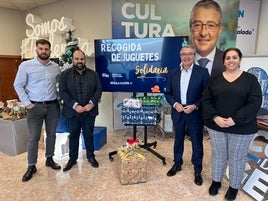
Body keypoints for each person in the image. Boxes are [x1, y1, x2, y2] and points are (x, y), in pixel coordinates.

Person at [202, 48, 262, 200]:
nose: (231, 60)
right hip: (217, 126)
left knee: (236, 157)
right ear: (224, 61)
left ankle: (234, 187)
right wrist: (215, 117)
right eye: (228, 58)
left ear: (240, 60)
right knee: (218, 154)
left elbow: (255, 102)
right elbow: (207, 100)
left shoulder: (250, 80)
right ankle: (216, 181)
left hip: (242, 127)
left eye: (234, 57)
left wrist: (235, 119)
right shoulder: (215, 79)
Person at [13, 39, 61, 182]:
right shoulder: (26, 66)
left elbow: (59, 84)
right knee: (33, 137)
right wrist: (27, 103)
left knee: (51, 134)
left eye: (46, 49)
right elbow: (18, 85)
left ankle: (49, 159)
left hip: (53, 106)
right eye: (41, 49)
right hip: (35, 107)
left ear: (50, 51)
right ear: (36, 50)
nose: (43, 52)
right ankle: (31, 165)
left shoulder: (55, 67)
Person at [164, 45, 210, 186]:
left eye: (190, 54)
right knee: (178, 140)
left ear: (194, 56)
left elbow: (207, 94)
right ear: (180, 56)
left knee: (196, 142)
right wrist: (175, 104)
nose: (186, 56)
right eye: (184, 54)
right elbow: (168, 93)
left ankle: (197, 170)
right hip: (178, 112)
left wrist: (195, 105)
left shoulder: (202, 72)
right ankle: (177, 164)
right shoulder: (173, 73)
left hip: (194, 113)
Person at [59, 49, 102, 171]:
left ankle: (91, 156)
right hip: (73, 112)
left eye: (81, 59)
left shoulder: (93, 74)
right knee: (73, 135)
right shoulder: (65, 75)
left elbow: (98, 90)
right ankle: (72, 159)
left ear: (85, 60)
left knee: (89, 134)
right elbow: (62, 92)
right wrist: (75, 105)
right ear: (72, 60)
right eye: (77, 59)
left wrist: (91, 103)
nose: (79, 61)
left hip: (89, 111)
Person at [189, 0, 225, 78]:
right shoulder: (175, 62)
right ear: (190, 28)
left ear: (219, 30)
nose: (203, 33)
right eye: (197, 25)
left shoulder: (230, 63)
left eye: (210, 25)